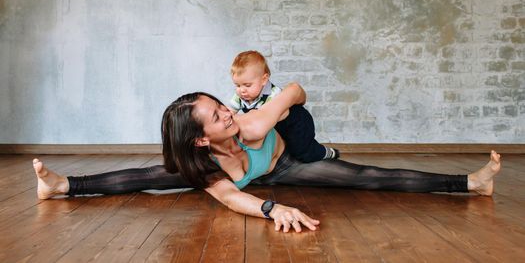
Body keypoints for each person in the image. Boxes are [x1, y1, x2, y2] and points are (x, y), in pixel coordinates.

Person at [33, 83, 501, 233]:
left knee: (369, 175)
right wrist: (274, 209)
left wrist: (266, 117)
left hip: (287, 163)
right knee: (148, 176)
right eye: (217, 116)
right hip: (236, 178)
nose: (227, 113)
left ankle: (470, 183)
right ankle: (62, 186)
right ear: (201, 140)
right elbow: (232, 200)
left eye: (221, 104)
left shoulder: (249, 118)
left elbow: (295, 91)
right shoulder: (203, 165)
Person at [229, 50, 339, 161]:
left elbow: (267, 118)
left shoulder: (274, 95)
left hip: (296, 124)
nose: (242, 90)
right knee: (284, 151)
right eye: (237, 85)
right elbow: (230, 112)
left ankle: (327, 152)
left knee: (302, 153)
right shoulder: (240, 96)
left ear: (264, 79)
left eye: (247, 85)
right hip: (277, 127)